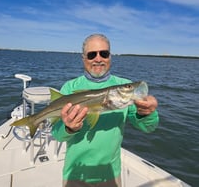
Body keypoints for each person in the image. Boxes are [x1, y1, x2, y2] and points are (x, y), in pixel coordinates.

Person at [52, 34, 159, 187]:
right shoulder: (69, 88)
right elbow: (57, 135)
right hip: (75, 172)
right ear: (83, 58)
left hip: (110, 174)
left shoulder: (124, 86)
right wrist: (68, 128)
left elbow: (149, 127)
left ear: (110, 57)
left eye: (104, 53)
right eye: (91, 55)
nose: (98, 59)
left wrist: (146, 113)